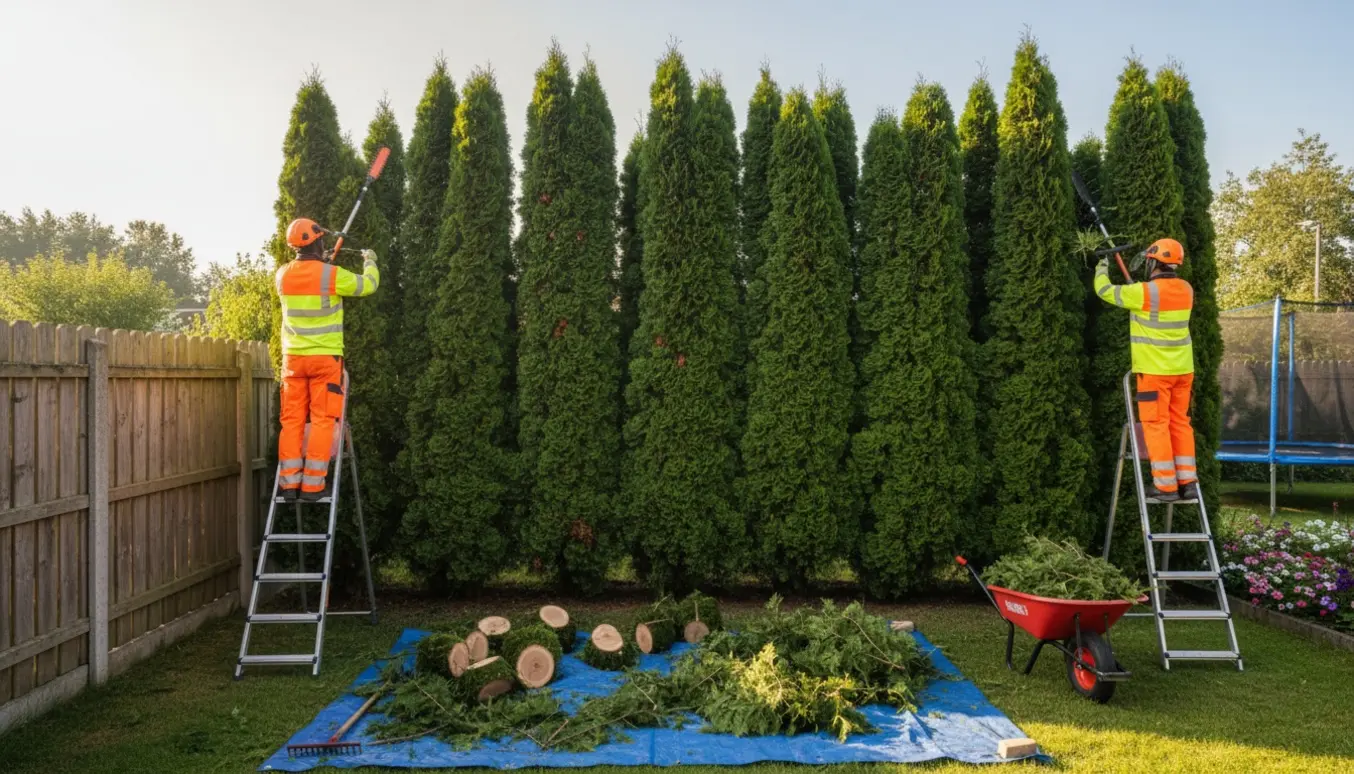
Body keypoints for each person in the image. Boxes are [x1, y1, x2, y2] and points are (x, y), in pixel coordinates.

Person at [275, 218, 380, 502]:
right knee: (322, 421)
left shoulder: (281, 275)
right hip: (324, 360)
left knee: (292, 421)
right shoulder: (332, 275)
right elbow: (367, 286)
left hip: (293, 361)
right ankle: (312, 486)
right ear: (318, 241)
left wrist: (323, 263)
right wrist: (370, 261)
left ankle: (289, 484)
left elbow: (308, 281)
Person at [1093, 238, 1196, 502]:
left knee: (1156, 425)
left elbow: (1104, 291)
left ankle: (1165, 486)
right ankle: (1188, 482)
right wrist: (1138, 292)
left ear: (1153, 262)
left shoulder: (1142, 293)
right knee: (1180, 423)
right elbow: (1154, 304)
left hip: (1154, 373)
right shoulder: (1186, 289)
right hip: (1183, 371)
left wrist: (1102, 265)